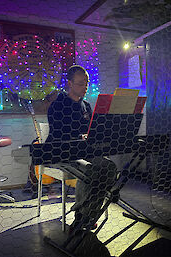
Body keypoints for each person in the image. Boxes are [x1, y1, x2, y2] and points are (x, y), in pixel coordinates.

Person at [46, 65, 117, 231]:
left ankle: (88, 214)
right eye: (80, 84)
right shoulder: (57, 106)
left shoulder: (86, 106)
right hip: (60, 153)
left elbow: (92, 130)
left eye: (86, 83)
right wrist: (80, 137)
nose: (85, 87)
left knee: (109, 167)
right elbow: (58, 136)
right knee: (90, 170)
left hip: (84, 152)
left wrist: (97, 135)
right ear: (69, 83)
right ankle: (81, 217)